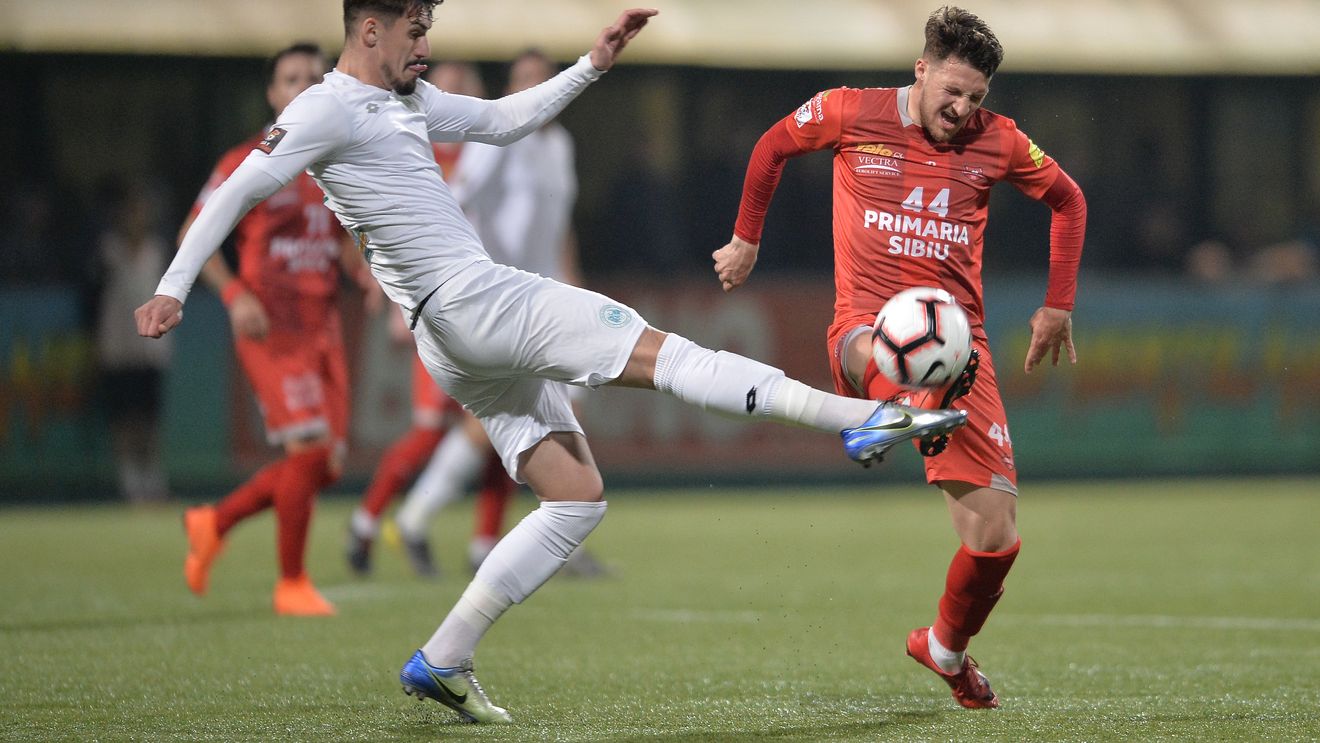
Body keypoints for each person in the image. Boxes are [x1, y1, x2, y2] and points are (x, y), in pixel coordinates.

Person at [135, 2, 968, 723]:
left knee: (575, 497)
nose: (425, 46)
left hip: (449, 335)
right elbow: (237, 188)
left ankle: (445, 655)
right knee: (663, 352)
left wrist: (591, 64)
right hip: (474, 300)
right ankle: (863, 419)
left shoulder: (406, 98)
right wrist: (176, 287)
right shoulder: (325, 108)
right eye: (417, 30)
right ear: (372, 28)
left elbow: (505, 119)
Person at [715, 5, 1086, 709]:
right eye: (951, 89)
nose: (961, 107)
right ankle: (894, 411)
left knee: (996, 539)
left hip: (962, 346)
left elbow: (1069, 202)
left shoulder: (999, 142)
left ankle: (944, 647)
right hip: (867, 329)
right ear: (921, 69)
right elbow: (771, 147)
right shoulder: (850, 112)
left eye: (976, 97)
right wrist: (746, 239)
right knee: (890, 348)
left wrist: (1058, 302)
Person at [384, 49, 609, 579]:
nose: (532, 90)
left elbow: (558, 220)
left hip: (543, 295)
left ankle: (424, 522)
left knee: (541, 412)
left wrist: (570, 277)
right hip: (499, 295)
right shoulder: (500, 139)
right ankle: (421, 520)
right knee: (515, 420)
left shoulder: (560, 144)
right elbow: (454, 199)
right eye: (522, 80)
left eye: (540, 80)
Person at [174, 42, 380, 616]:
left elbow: (344, 239)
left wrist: (365, 272)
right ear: (272, 93)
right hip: (272, 325)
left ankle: (214, 522)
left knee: (326, 463)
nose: (303, 87)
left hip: (323, 326)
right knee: (310, 449)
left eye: (314, 78)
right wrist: (235, 293)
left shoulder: (335, 160)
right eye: (291, 78)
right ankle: (291, 583)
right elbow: (194, 233)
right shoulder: (248, 158)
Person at [344, 61, 486, 578]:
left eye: (465, 87)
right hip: (432, 308)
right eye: (447, 85)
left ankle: (478, 544)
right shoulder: (407, 149)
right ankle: (368, 522)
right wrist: (386, 287)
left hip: (483, 304)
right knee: (431, 432)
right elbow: (364, 224)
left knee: (498, 428)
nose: (455, 94)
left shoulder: (484, 153)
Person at [90, 177, 172, 504]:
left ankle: (152, 480)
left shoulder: (157, 250)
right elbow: (92, 301)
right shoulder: (107, 251)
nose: (137, 218)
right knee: (123, 418)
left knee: (149, 419)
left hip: (150, 348)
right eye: (131, 212)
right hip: (116, 346)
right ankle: (130, 482)